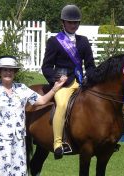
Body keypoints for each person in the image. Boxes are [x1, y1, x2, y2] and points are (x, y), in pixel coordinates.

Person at [41, 4, 96, 160]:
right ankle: (58, 143)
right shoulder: (54, 41)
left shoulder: (83, 41)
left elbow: (90, 66)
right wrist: (57, 80)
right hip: (63, 84)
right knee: (63, 105)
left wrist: (90, 78)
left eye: (76, 22)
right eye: (70, 22)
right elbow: (46, 67)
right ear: (63, 23)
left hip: (81, 83)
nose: (73, 25)